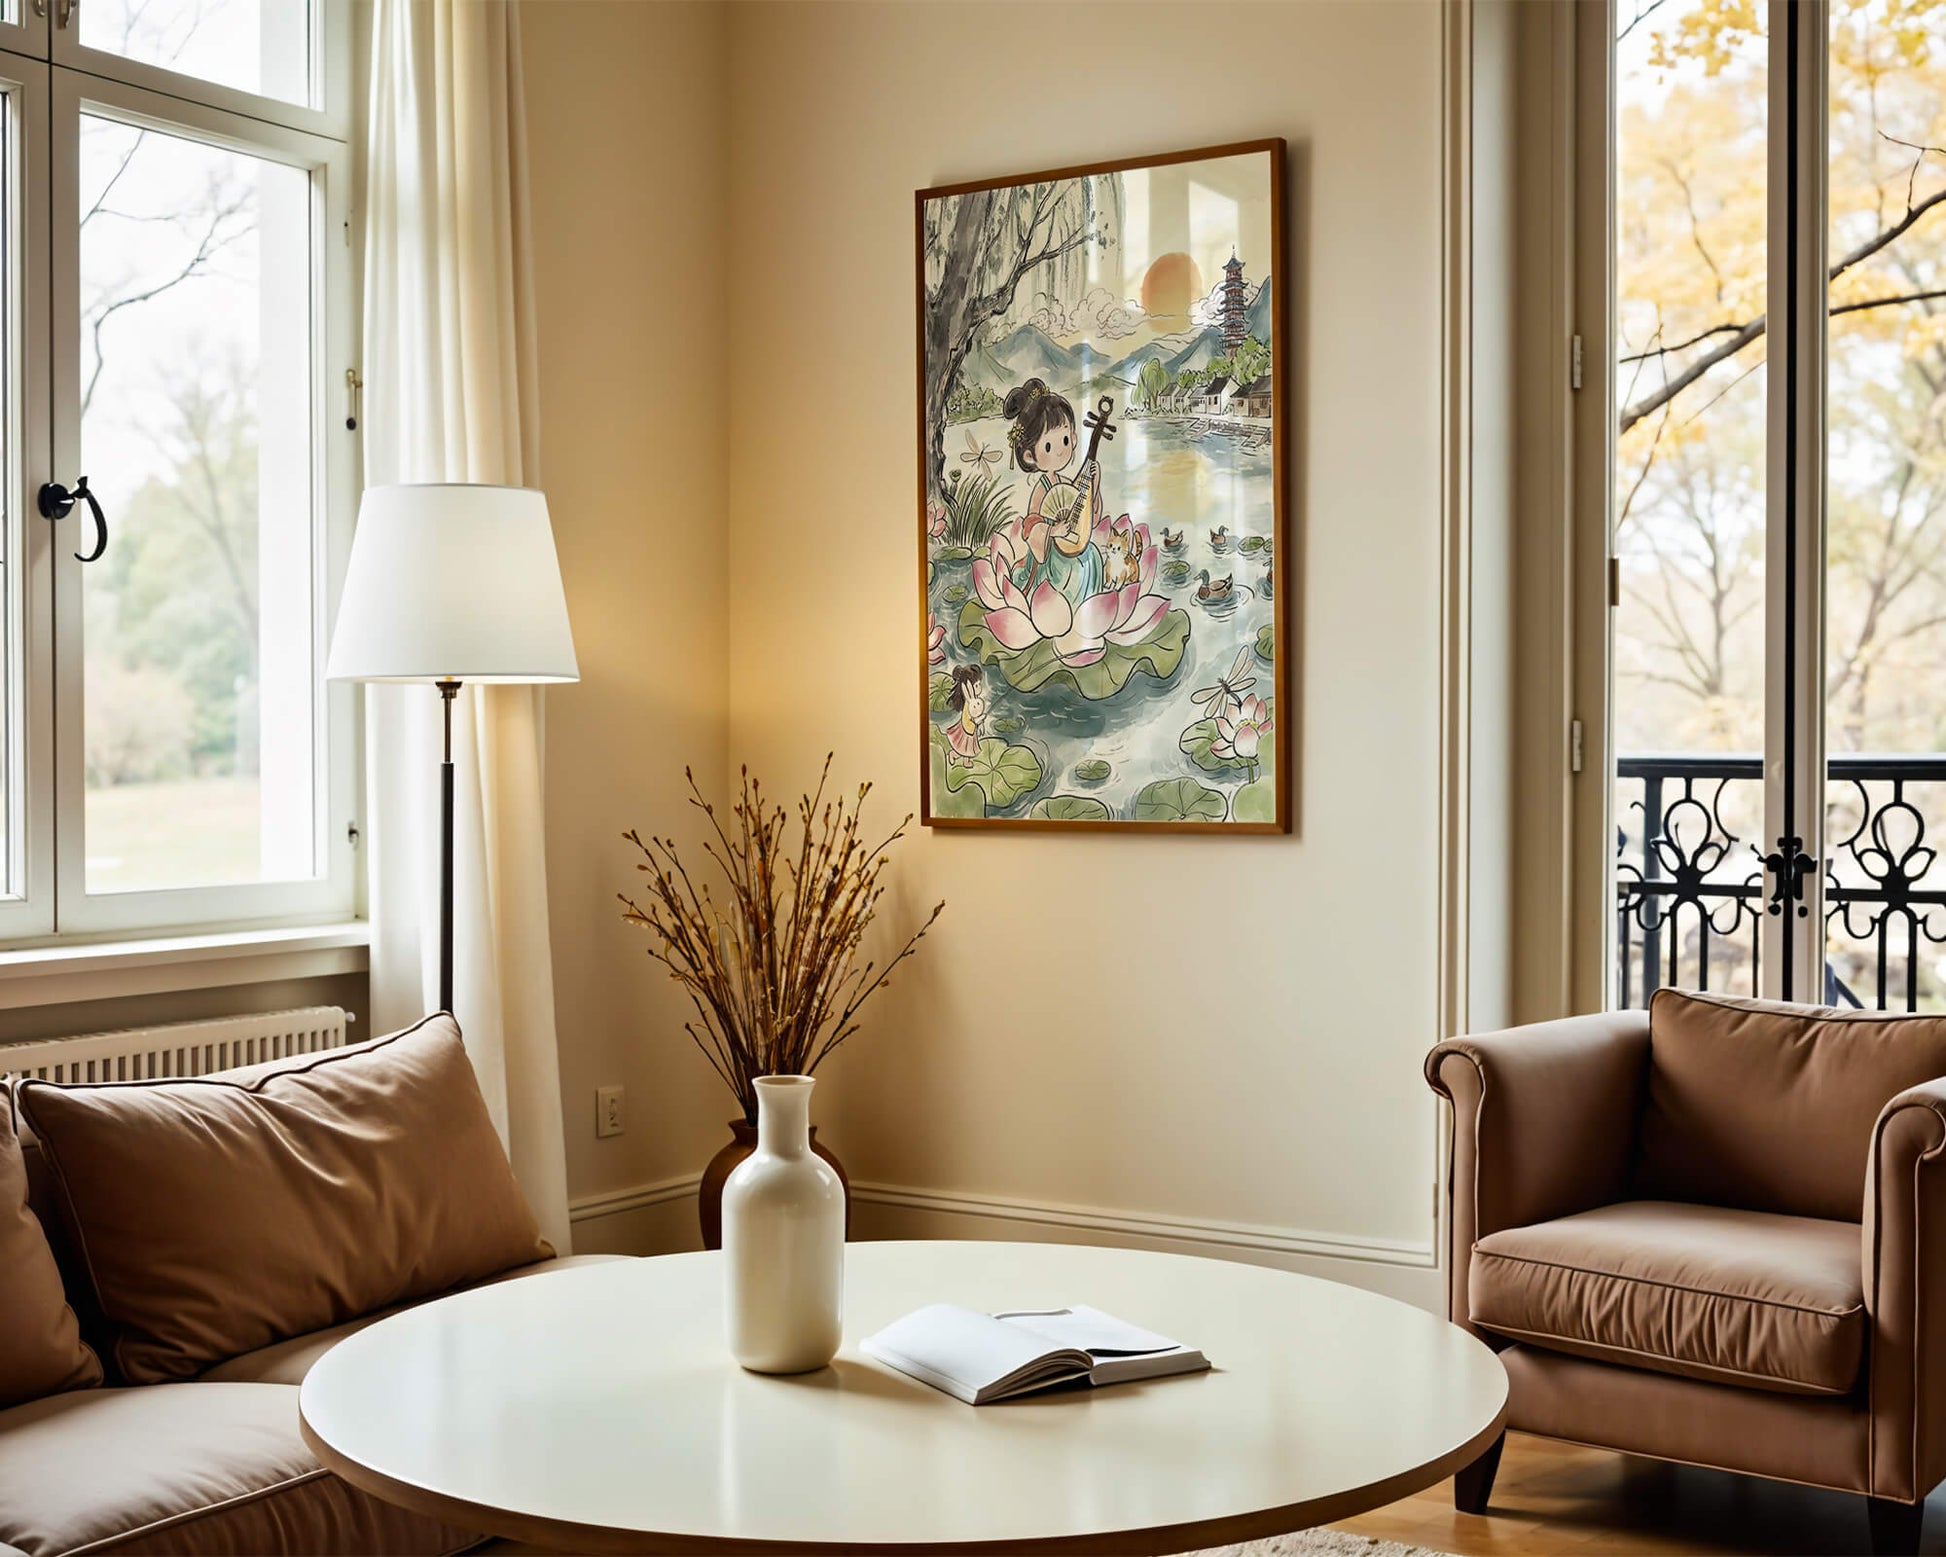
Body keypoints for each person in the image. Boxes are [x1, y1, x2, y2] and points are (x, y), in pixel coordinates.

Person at [1003, 378, 1103, 608]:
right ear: (1030, 456)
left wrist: (1093, 484)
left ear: (1074, 439)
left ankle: (1088, 611)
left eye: (1065, 440)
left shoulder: (1066, 482)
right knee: (1065, 574)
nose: (1060, 450)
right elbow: (1031, 524)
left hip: (1073, 545)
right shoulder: (1042, 489)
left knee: (1092, 556)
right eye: (1048, 446)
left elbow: (1083, 509)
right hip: (1051, 556)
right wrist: (1053, 530)